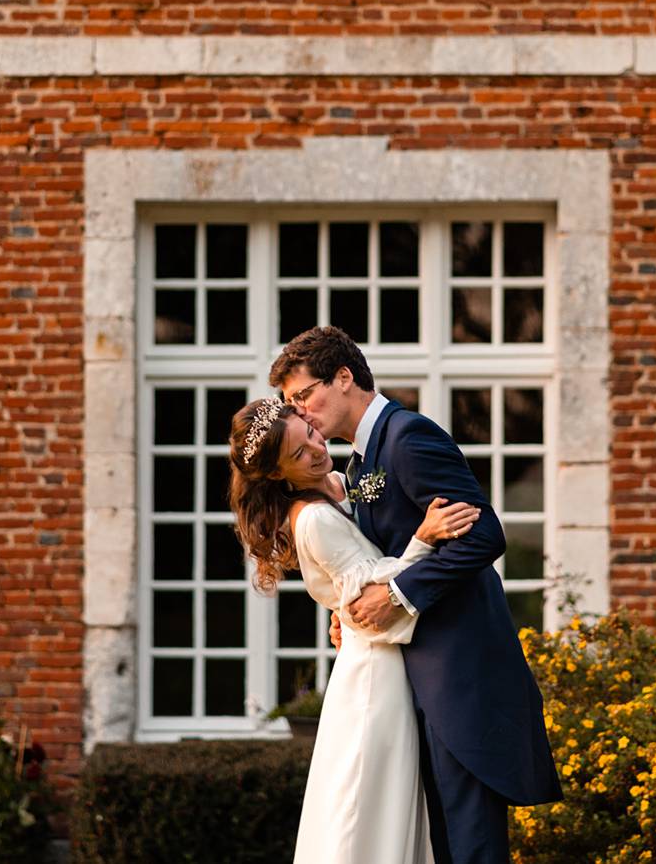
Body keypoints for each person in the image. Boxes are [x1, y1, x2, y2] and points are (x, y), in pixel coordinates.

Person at [269, 326, 561, 864]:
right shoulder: (358, 460)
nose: (301, 412)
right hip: (408, 678)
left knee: (471, 844)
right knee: (441, 843)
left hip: (458, 673)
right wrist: (350, 609)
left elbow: (485, 534)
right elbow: (370, 556)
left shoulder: (408, 436)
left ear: (343, 377)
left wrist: (397, 595)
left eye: (303, 396)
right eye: (291, 403)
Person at [228, 396, 480, 864]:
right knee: (364, 810)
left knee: (393, 806)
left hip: (392, 665)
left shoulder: (339, 484)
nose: (318, 450)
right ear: (279, 475)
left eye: (311, 434)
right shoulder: (315, 519)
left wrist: (340, 609)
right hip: (373, 678)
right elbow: (374, 598)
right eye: (301, 454)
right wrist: (424, 539)